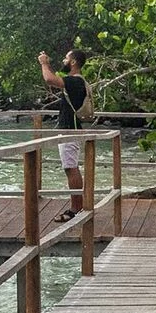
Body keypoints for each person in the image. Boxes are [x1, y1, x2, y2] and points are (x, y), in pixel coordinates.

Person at [36, 47, 90, 222]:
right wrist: (48, 65)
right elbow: (55, 79)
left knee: (70, 168)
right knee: (71, 167)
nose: (63, 61)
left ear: (73, 62)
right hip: (70, 129)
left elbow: (50, 79)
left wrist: (44, 63)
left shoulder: (75, 81)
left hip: (69, 130)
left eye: (66, 58)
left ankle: (76, 209)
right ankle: (78, 207)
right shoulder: (75, 81)